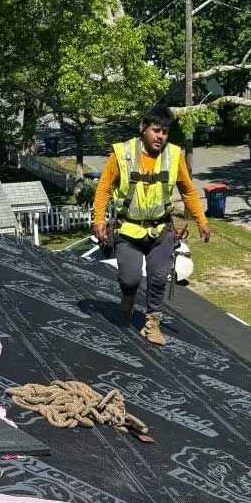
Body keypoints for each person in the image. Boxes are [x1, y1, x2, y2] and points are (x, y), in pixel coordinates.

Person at [92, 104, 210, 345]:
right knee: (131, 279)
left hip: (161, 229)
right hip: (128, 229)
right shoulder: (121, 154)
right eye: (156, 130)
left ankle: (152, 324)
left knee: (158, 277)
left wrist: (202, 221)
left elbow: (187, 190)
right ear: (143, 128)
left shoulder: (173, 156)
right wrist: (99, 220)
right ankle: (127, 303)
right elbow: (104, 188)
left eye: (165, 132)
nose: (161, 137)